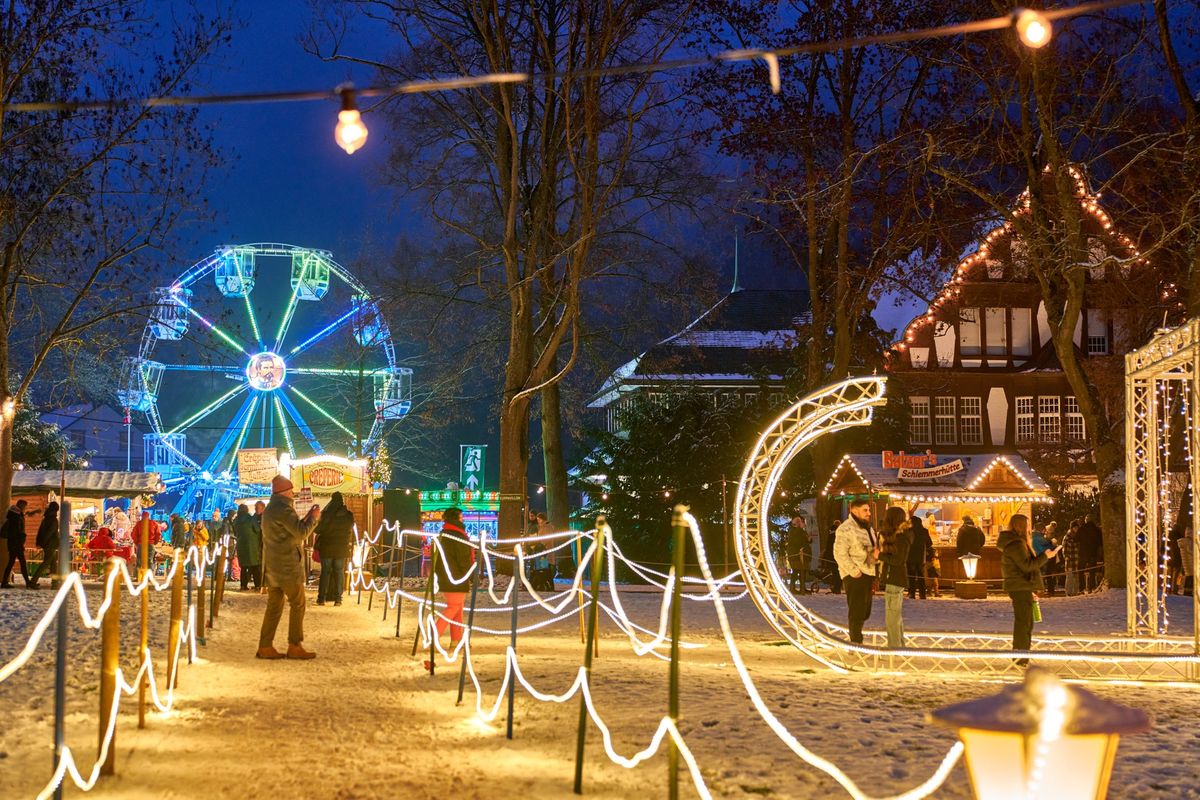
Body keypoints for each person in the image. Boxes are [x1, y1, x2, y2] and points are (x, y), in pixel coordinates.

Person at [257, 475, 320, 660]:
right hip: (287, 566)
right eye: (291, 490)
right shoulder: (284, 508)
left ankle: (265, 645)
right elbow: (300, 533)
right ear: (284, 491)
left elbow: (290, 528)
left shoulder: (270, 509)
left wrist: (307, 515)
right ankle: (295, 645)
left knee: (274, 606)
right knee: (298, 603)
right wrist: (314, 519)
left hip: (272, 565)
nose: (293, 493)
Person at [998, 514, 1060, 666]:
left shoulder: (1017, 543)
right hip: (1019, 586)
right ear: (1021, 526)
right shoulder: (1016, 544)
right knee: (1023, 622)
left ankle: (1021, 656)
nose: (1029, 528)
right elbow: (1027, 566)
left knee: (1026, 622)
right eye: (1027, 524)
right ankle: (1020, 657)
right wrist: (1046, 556)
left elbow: (1026, 565)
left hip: (1022, 585)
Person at [426, 506, 474, 670]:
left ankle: (456, 640)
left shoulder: (444, 535)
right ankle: (433, 636)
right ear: (456, 518)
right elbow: (464, 558)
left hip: (447, 576)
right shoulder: (458, 536)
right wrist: (471, 572)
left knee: (457, 610)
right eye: (461, 517)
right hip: (457, 577)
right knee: (454, 608)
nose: (463, 519)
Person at [832, 499, 878, 644]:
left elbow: (869, 550)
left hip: (868, 573)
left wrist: (875, 558)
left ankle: (856, 638)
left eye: (869, 510)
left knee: (865, 611)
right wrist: (853, 571)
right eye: (865, 510)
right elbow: (839, 553)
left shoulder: (867, 528)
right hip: (855, 575)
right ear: (854, 510)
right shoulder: (846, 528)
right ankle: (856, 642)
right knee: (857, 610)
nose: (868, 513)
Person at [877, 506, 911, 648]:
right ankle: (899, 645)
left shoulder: (900, 537)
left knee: (892, 617)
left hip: (895, 579)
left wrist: (879, 555)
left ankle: (894, 647)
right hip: (894, 579)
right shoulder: (899, 535)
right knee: (895, 616)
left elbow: (898, 560)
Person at [314, 492, 355, 606]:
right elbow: (350, 528)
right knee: (339, 572)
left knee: (325, 573)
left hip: (326, 547)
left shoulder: (326, 513)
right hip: (341, 547)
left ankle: (321, 598)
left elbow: (317, 529)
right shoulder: (348, 515)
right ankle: (338, 599)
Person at [29, 502, 60, 589]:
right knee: (45, 563)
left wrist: (39, 542)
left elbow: (40, 531)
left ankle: (54, 583)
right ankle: (33, 581)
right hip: (51, 544)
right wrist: (44, 542)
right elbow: (50, 532)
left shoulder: (46, 518)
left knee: (53, 564)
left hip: (47, 544)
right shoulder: (53, 519)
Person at [2, 499, 31, 588]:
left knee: (11, 562)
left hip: (13, 543)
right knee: (22, 562)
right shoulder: (16, 517)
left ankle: (4, 582)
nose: (25, 508)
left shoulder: (14, 515)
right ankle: (28, 582)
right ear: (20, 505)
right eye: (24, 506)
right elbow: (17, 531)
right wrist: (20, 541)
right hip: (16, 543)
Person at [234, 505, 262, 590]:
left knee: (244, 566)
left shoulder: (236, 520)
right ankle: (258, 585)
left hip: (241, 545)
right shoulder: (251, 519)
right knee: (255, 565)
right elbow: (257, 530)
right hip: (252, 545)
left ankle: (243, 585)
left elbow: (236, 532)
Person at [906, 514, 931, 600]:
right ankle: (922, 594)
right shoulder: (924, 531)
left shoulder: (909, 531)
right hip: (921, 556)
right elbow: (929, 543)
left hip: (910, 556)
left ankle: (912, 593)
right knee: (921, 576)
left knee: (911, 576)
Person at [1076, 513, 1103, 591]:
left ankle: (1081, 587)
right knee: (1092, 572)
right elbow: (1100, 542)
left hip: (1083, 553)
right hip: (1093, 553)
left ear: (1086, 520)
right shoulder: (1097, 530)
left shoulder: (1082, 529)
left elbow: (1076, 539)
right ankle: (1091, 587)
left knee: (1080, 571)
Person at [786, 515, 811, 594]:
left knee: (803, 571)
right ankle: (793, 588)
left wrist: (809, 540)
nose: (803, 523)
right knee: (796, 571)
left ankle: (802, 587)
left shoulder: (800, 530)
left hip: (802, 554)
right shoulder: (794, 531)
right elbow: (797, 541)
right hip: (796, 554)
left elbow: (805, 540)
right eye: (801, 522)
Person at [1062, 519, 1082, 596]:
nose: (1076, 529)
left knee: (1076, 576)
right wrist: (1066, 556)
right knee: (1070, 577)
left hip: (1076, 559)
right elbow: (1064, 548)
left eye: (1077, 527)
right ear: (1072, 528)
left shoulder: (1078, 536)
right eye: (1075, 527)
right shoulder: (1067, 537)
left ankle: (1075, 591)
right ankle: (1069, 592)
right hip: (1070, 559)